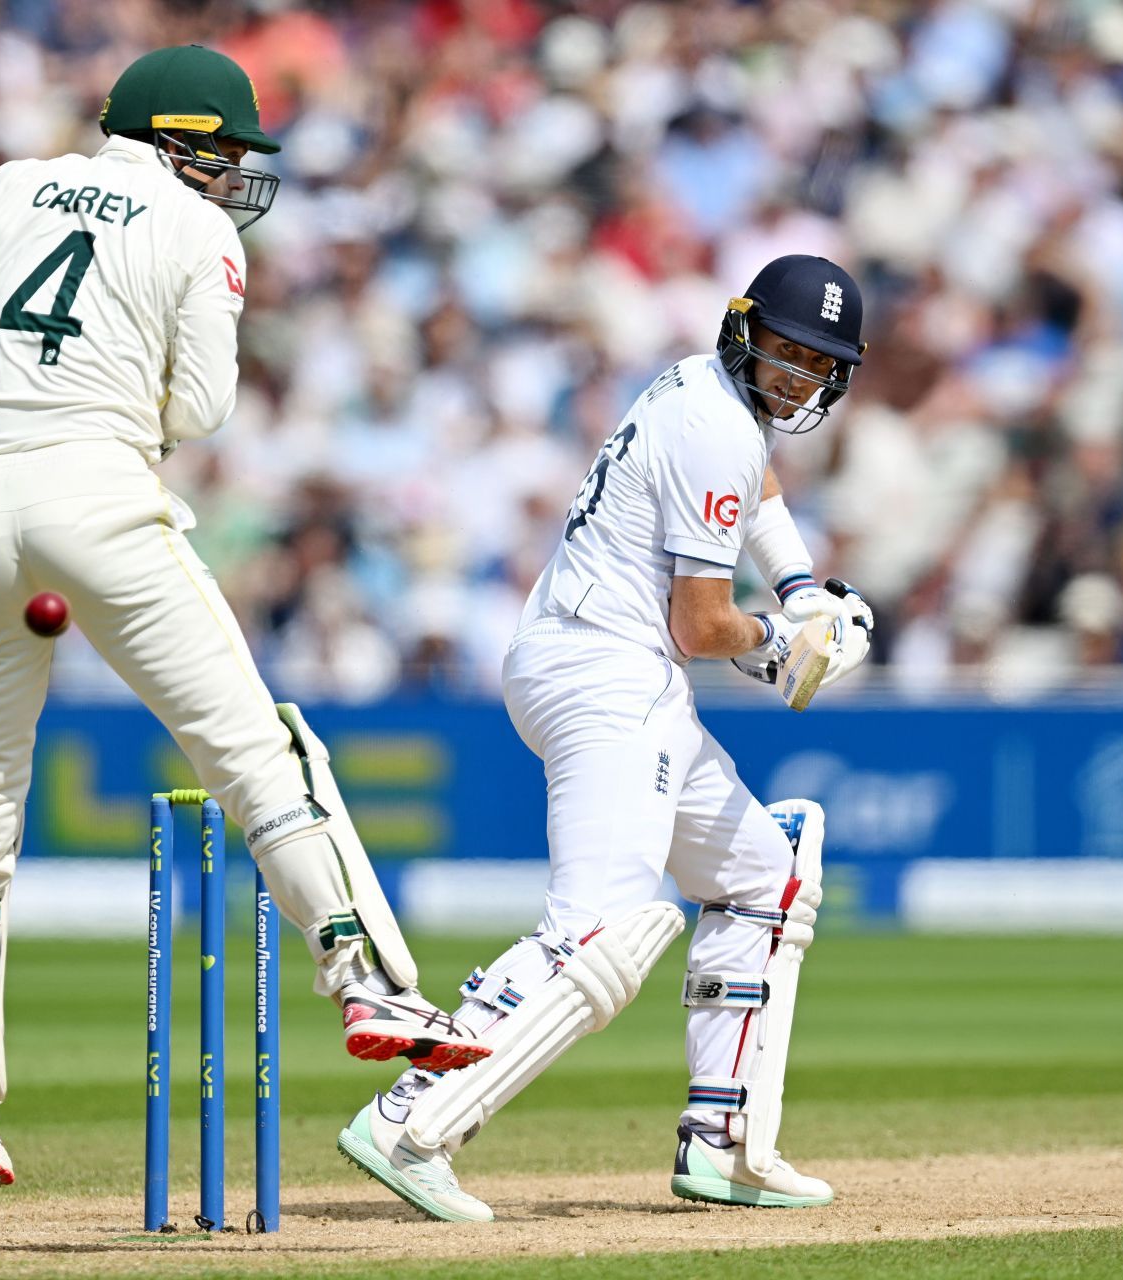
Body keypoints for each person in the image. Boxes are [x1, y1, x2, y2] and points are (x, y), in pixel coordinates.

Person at [0, 44, 489, 1190]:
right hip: (101, 497)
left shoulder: (10, 182)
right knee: (256, 747)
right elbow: (200, 407)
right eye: (228, 152)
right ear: (180, 139)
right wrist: (101, 385)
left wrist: (18, 374)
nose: (236, 176)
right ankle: (364, 979)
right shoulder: (199, 230)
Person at [336, 256, 875, 1221]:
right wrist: (780, 648)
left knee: (767, 875)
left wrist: (803, 592)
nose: (794, 377)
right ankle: (413, 1114)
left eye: (816, 364)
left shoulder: (701, 387)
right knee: (601, 931)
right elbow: (701, 626)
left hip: (600, 665)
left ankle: (724, 1143)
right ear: (745, 330)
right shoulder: (716, 421)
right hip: (609, 672)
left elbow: (757, 489)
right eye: (785, 352)